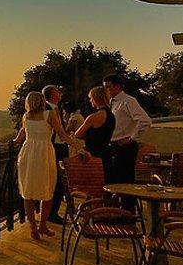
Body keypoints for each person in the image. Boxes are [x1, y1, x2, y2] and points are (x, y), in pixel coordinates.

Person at [12, 91, 79, 240]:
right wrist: (78, 147)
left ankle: (33, 227)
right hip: (44, 153)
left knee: (28, 191)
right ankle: (42, 224)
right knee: (48, 189)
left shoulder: (25, 116)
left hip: (28, 153)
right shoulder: (49, 115)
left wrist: (14, 143)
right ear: (42, 101)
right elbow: (62, 134)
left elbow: (20, 137)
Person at [103, 74, 152, 187]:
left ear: (117, 86)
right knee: (113, 181)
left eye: (108, 87)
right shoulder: (112, 103)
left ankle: (127, 204)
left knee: (124, 181)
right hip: (113, 146)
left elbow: (145, 120)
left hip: (124, 146)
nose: (106, 90)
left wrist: (132, 138)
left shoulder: (128, 101)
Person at [73, 86, 116, 180]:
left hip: (93, 155)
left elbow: (77, 134)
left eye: (91, 98)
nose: (90, 101)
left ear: (96, 98)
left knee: (93, 184)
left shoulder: (93, 117)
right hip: (106, 153)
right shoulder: (111, 116)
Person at [42, 85, 67, 226]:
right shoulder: (47, 109)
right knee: (55, 181)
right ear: (51, 95)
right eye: (57, 91)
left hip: (59, 147)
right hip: (54, 148)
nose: (60, 93)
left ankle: (53, 212)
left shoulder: (55, 109)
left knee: (59, 181)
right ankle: (51, 213)